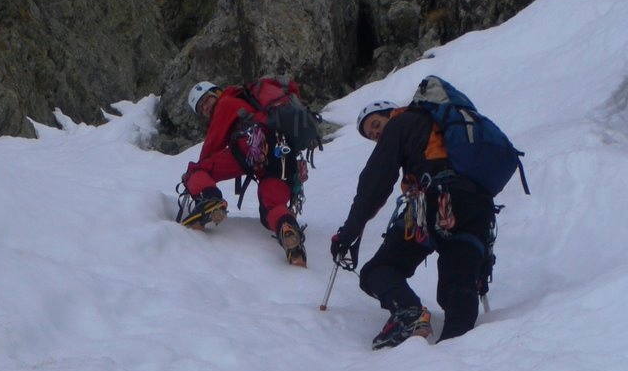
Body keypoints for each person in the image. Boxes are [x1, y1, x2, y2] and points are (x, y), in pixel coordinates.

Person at [330, 98, 497, 348]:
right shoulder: (439, 128)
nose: (376, 133)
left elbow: (374, 184)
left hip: (436, 202)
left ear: (390, 114)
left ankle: (410, 313)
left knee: (377, 271)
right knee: (457, 286)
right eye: (371, 134)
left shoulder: (401, 123)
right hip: (477, 207)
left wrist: (349, 233)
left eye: (376, 124)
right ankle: (456, 351)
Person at [178, 80, 307, 266]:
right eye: (201, 108)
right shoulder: (245, 103)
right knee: (270, 206)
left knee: (195, 171)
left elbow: (210, 149)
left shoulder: (226, 103)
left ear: (218, 93)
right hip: (283, 156)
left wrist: (196, 179)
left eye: (206, 100)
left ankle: (211, 201)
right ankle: (287, 229)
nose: (206, 108)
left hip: (253, 145)